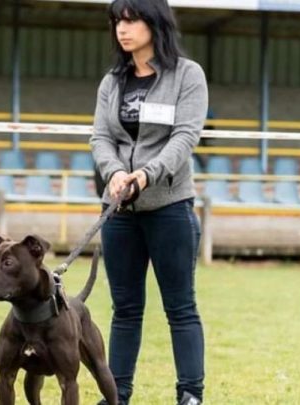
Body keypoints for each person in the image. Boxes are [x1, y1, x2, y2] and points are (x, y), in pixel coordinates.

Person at [90, 1, 208, 404]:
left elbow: (185, 137)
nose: (123, 29)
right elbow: (100, 138)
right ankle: (116, 394)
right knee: (125, 309)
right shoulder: (111, 82)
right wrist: (115, 173)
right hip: (119, 211)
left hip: (170, 207)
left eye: (131, 19)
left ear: (154, 23)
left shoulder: (188, 76)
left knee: (181, 307)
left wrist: (146, 174)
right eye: (117, 21)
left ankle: (190, 394)